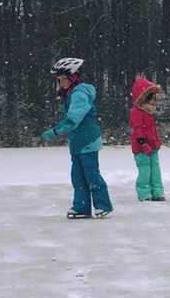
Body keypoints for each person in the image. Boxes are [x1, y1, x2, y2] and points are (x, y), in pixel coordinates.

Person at [40, 57, 114, 219]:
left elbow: (73, 119)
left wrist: (54, 132)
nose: (60, 83)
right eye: (58, 80)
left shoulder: (80, 94)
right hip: (77, 142)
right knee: (78, 176)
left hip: (87, 141)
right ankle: (81, 207)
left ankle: (102, 205)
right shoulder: (71, 93)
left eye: (62, 79)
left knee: (91, 174)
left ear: (72, 77)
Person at [129, 74, 166, 201]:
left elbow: (152, 130)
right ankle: (144, 193)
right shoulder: (136, 112)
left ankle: (158, 192)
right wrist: (143, 143)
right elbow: (138, 129)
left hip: (153, 146)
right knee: (145, 170)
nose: (155, 100)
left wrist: (156, 142)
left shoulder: (149, 112)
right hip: (141, 148)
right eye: (152, 97)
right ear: (144, 98)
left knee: (155, 170)